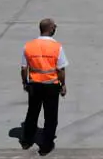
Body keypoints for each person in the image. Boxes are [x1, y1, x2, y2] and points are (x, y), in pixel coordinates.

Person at [20, 18, 68, 154]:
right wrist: (63, 85)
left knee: (32, 113)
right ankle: (46, 146)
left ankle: (26, 141)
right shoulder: (57, 47)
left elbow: (24, 68)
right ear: (51, 29)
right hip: (51, 85)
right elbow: (61, 70)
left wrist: (25, 82)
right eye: (54, 27)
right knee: (51, 116)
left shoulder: (29, 46)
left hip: (34, 85)